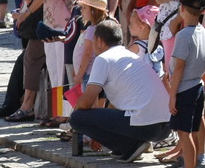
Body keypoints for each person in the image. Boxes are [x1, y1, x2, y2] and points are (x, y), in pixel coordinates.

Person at [70, 13, 170, 159]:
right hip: (165, 126)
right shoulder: (128, 55)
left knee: (77, 118)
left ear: (99, 41)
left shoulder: (104, 58)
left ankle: (130, 146)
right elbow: (116, 105)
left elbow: (86, 102)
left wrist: (78, 118)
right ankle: (132, 143)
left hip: (146, 126)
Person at [164, 0, 205, 168]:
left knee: (184, 133)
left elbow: (180, 67)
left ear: (181, 8)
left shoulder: (183, 36)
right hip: (198, 85)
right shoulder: (204, 32)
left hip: (184, 89)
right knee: (193, 130)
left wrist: (172, 95)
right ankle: (195, 165)